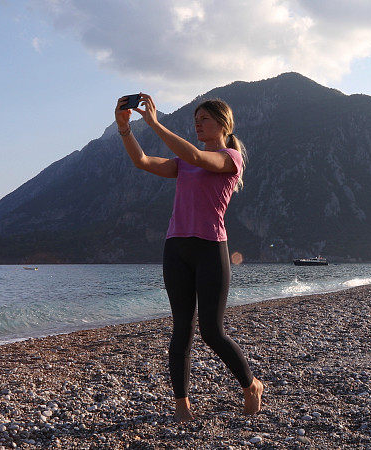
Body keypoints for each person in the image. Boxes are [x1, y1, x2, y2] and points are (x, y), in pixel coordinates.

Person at [115, 93, 264, 423]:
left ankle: (251, 384)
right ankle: (182, 405)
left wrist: (154, 123)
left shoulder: (230, 159)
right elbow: (143, 162)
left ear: (223, 125)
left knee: (212, 331)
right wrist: (125, 129)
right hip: (176, 249)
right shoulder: (184, 164)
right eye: (195, 120)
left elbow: (197, 156)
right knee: (181, 328)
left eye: (204, 120)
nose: (198, 124)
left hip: (211, 249)